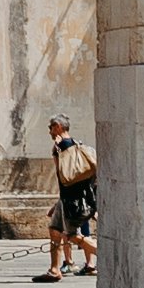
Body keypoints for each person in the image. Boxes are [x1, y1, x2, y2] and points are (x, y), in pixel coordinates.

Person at [46, 118, 99, 279]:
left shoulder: (64, 147)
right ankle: (55, 270)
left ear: (58, 127)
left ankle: (106, 255)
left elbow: (64, 177)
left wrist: (57, 148)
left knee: (71, 235)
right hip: (67, 199)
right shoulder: (77, 145)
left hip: (72, 200)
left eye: (51, 127)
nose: (50, 131)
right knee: (54, 231)